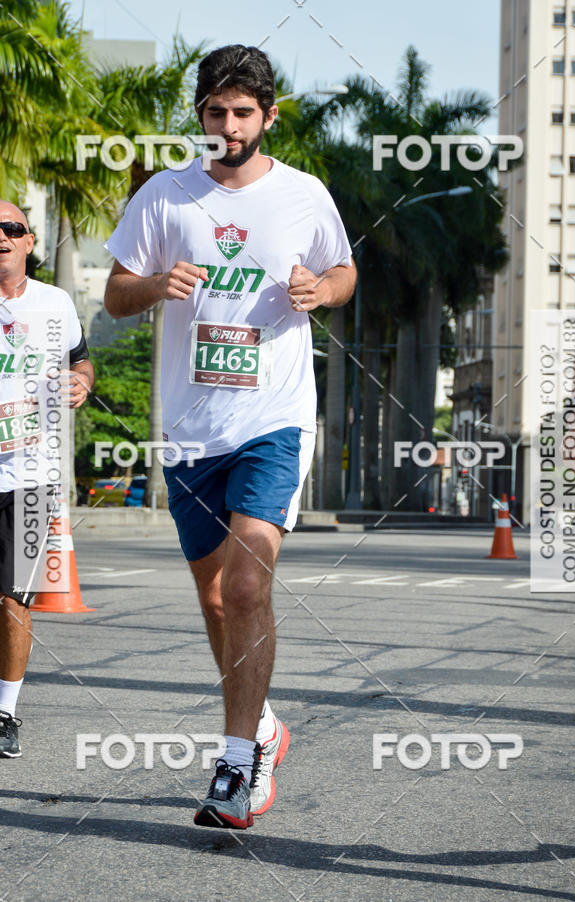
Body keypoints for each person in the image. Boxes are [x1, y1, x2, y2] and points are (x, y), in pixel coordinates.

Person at [104, 44, 356, 829]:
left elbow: (343, 272)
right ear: (200, 114)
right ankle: (266, 723)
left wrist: (322, 290)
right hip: (189, 430)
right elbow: (115, 295)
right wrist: (155, 284)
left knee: (248, 586)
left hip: (272, 420)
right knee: (216, 600)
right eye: (215, 111)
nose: (229, 125)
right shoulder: (166, 197)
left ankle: (237, 766)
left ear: (269, 115)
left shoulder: (303, 195)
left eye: (244, 112)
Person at [0, 201, 94, 757]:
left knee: (15, 598)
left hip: (34, 475)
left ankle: (4, 712)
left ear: (29, 241)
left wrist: (80, 384)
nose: (1, 238)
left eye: (11, 229)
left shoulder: (55, 302)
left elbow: (81, 362)